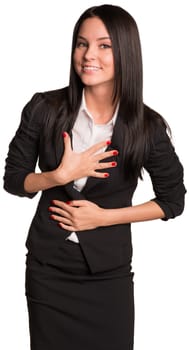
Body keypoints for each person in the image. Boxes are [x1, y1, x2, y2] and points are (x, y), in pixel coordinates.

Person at [3, 4, 186, 350]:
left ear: (125, 53)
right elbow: (14, 180)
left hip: (108, 275)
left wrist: (104, 218)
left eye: (104, 45)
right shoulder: (43, 109)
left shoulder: (146, 127)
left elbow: (173, 201)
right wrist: (57, 175)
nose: (89, 55)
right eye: (81, 43)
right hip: (48, 270)